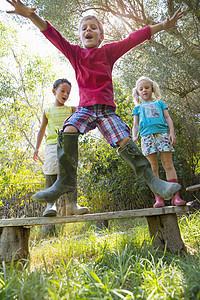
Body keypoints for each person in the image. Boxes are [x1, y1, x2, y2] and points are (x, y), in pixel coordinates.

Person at [6, 0, 184, 207]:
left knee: (124, 139)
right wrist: (30, 15)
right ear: (80, 36)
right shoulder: (75, 54)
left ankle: (154, 183)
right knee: (69, 128)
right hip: (85, 109)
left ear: (101, 35)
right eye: (84, 28)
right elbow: (53, 35)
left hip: (106, 111)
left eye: (93, 28)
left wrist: (163, 25)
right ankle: (65, 181)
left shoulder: (107, 52)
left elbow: (134, 38)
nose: (88, 30)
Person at [33, 78, 89, 217]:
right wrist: (36, 148)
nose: (65, 94)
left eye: (68, 92)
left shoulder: (71, 109)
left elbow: (85, 110)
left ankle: (72, 205)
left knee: (70, 172)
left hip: (68, 145)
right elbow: (41, 130)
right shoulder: (48, 111)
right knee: (51, 171)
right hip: (52, 144)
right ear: (54, 91)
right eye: (62, 91)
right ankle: (50, 205)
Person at [132, 76, 186, 207]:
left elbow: (168, 118)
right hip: (146, 138)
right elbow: (136, 125)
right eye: (141, 89)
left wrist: (171, 133)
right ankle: (159, 198)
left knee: (168, 165)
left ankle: (175, 197)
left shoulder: (160, 103)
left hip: (162, 135)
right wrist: (134, 137)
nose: (144, 90)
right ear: (138, 92)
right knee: (153, 168)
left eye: (147, 87)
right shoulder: (137, 109)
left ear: (152, 89)